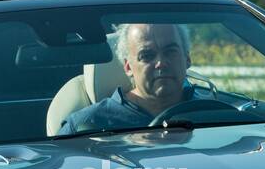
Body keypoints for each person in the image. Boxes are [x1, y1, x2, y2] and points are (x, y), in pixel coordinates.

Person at [57, 23, 196, 134]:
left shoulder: (212, 112)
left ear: (188, 59)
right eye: (147, 56)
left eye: (170, 52)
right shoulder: (87, 125)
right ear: (128, 67)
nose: (161, 63)